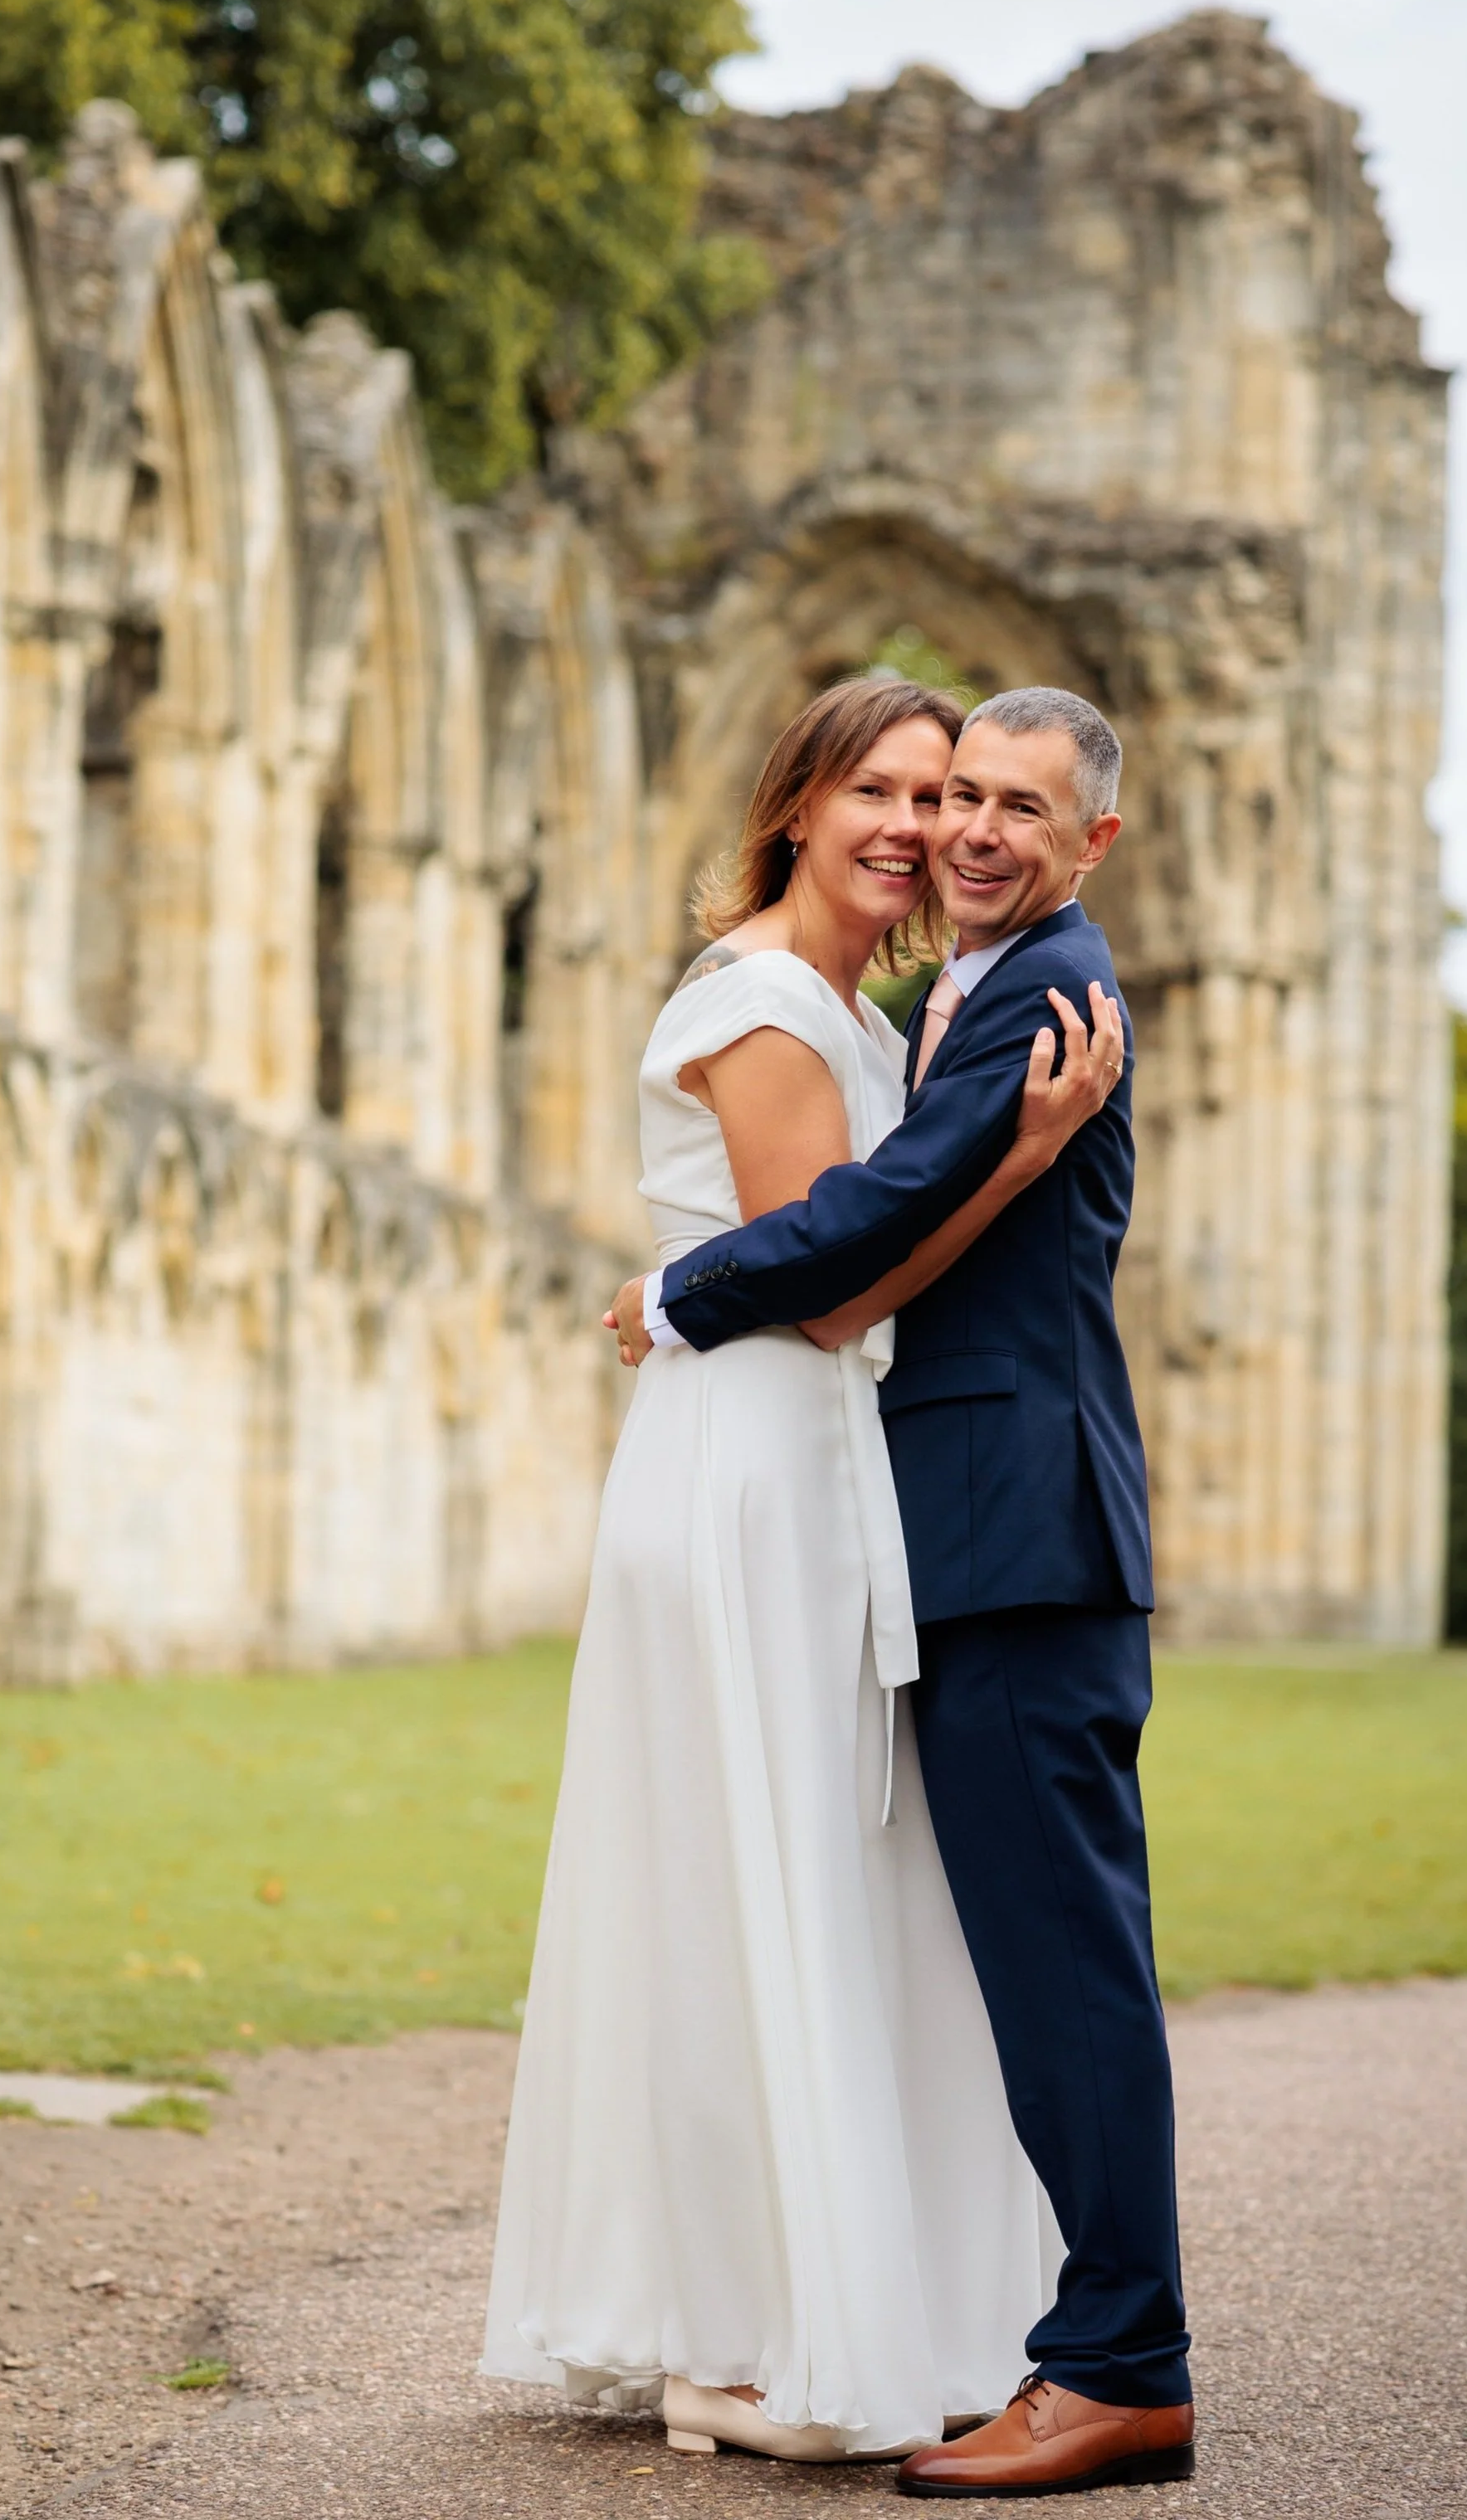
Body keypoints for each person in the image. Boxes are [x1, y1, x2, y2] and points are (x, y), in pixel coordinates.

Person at [480, 677, 1123, 2463]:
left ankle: (780, 2301)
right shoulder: (762, 998)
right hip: (753, 1458)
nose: (917, 827)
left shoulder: (868, 1004)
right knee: (749, 1859)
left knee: (815, 1869)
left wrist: (993, 1141)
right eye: (884, 791)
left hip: (819, 1454)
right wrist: (1024, 1151)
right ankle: (730, 2333)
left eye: (945, 796)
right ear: (798, 802)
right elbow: (830, 1282)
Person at [619, 685, 1195, 2498]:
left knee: (1065, 1963)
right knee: (1037, 1956)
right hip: (975, 1529)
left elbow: (892, 1208)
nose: (968, 828)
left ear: (1090, 838)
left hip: (1014, 1536)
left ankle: (1116, 2367)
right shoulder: (957, 983)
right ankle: (1085, 2348)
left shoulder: (1034, 982)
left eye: (1015, 803)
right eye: (953, 796)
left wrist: (675, 1296)